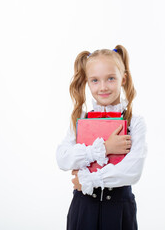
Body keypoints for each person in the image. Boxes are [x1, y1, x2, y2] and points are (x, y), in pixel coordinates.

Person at [56, 45, 148, 230]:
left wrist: (88, 180)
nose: (103, 87)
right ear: (87, 82)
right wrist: (105, 148)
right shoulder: (80, 119)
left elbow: (133, 170)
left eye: (111, 79)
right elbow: (63, 158)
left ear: (123, 79)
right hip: (83, 209)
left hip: (119, 210)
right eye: (95, 80)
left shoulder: (134, 122)